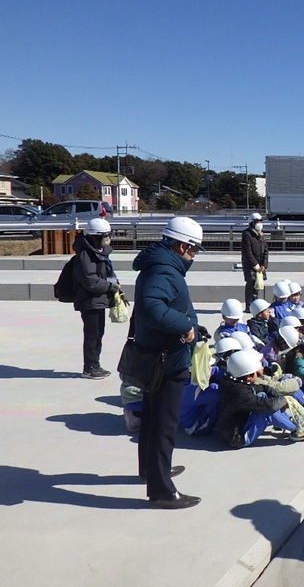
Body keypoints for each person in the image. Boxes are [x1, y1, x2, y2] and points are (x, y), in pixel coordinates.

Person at [134, 216, 205, 509]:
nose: (194, 256)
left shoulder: (161, 265)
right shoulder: (165, 270)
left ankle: (151, 471)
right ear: (180, 246)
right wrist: (185, 327)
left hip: (157, 356)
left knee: (152, 420)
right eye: (193, 250)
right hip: (168, 359)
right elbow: (152, 308)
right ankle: (162, 490)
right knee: (164, 425)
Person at [72, 217, 120, 379]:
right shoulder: (85, 254)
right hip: (89, 300)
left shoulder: (98, 251)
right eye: (105, 236)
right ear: (95, 237)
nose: (108, 239)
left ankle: (95, 365)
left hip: (98, 299)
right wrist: (109, 286)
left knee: (98, 333)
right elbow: (89, 280)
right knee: (92, 335)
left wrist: (113, 281)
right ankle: (89, 368)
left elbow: (102, 273)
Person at [241, 212, 269, 307]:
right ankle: (249, 306)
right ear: (252, 223)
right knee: (250, 284)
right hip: (250, 265)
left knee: (257, 285)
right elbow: (247, 252)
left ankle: (255, 304)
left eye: (261, 221)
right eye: (257, 221)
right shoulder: (247, 234)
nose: (260, 223)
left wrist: (264, 265)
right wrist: (255, 265)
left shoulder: (262, 235)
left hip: (260, 266)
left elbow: (265, 250)